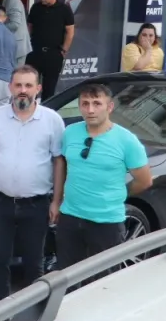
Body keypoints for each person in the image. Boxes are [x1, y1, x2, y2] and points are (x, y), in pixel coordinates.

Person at [0, 66, 64, 320]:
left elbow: (58, 161)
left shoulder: (52, 120)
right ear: (10, 87)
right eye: (18, 85)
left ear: (38, 89)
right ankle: (0, 315)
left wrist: (56, 200)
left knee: (33, 262)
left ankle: (32, 316)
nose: (23, 90)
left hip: (36, 203)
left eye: (28, 86)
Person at [52, 83, 152, 272]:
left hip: (106, 222)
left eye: (97, 103)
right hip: (70, 218)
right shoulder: (70, 132)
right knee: (67, 276)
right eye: (85, 104)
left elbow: (145, 180)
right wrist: (56, 202)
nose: (90, 110)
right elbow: (62, 166)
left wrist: (120, 193)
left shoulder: (127, 140)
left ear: (110, 107)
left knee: (103, 279)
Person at [25, 0, 74, 99]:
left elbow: (70, 32)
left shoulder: (64, 9)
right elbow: (30, 27)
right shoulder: (36, 8)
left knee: (49, 89)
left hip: (53, 54)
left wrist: (64, 50)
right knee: (28, 84)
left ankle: (46, 109)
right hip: (35, 52)